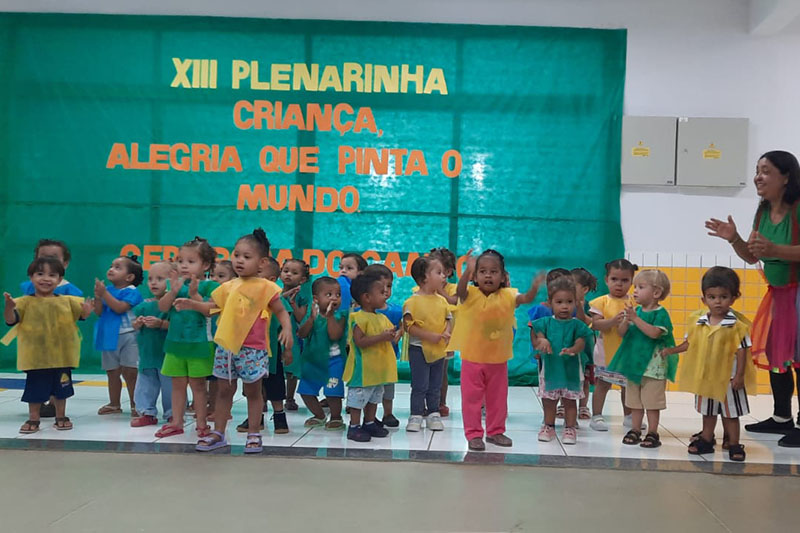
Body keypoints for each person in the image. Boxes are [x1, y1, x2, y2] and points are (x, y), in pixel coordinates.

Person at [705, 150, 800, 447]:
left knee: (798, 358)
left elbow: (775, 251)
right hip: (779, 295)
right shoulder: (762, 212)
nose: (758, 176)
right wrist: (734, 238)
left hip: (798, 293)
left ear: (786, 177)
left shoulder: (798, 209)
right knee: (777, 356)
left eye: (766, 171)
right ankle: (782, 417)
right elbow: (752, 256)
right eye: (757, 170)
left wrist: (776, 251)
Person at [177, 229, 293, 453]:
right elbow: (212, 308)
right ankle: (219, 432)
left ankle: (253, 433)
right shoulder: (227, 287)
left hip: (253, 349)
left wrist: (286, 329)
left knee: (253, 392)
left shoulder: (266, 287)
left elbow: (280, 311)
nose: (239, 260)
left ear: (262, 262)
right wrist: (192, 304)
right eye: (236, 255)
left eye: (246, 257)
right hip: (227, 348)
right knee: (223, 391)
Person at [447, 249, 545, 451]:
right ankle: (473, 434)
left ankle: (495, 432)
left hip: (498, 360)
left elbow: (525, 299)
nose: (488, 275)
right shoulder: (469, 294)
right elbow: (461, 290)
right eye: (482, 271)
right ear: (476, 276)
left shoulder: (509, 295)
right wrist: (467, 271)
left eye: (493, 271)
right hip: (472, 358)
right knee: (471, 400)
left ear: (503, 276)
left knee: (498, 399)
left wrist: (534, 288)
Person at [662, 267, 756, 461]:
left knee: (731, 414)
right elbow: (690, 343)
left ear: (733, 298)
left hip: (728, 380)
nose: (717, 301)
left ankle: (735, 443)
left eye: (723, 296)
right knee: (708, 411)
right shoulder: (698, 322)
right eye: (712, 297)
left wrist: (739, 376)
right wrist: (671, 350)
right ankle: (706, 438)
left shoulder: (737, 326)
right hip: (706, 377)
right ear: (704, 299)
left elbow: (742, 351)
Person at [2, 257, 92, 433]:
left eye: (52, 275)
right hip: (35, 358)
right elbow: (11, 320)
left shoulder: (68, 301)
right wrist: (8, 307)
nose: (46, 278)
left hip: (62, 356)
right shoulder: (24, 302)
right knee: (35, 389)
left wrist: (87, 311)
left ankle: (61, 416)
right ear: (31, 277)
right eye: (40, 274)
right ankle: (33, 418)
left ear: (59, 280)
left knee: (62, 388)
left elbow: (81, 315)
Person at [154, 237, 219, 439]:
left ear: (205, 265)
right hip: (175, 344)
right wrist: (172, 292)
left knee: (199, 386)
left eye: (191, 262)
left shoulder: (210, 286)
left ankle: (201, 423)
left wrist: (195, 298)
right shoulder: (175, 284)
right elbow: (162, 308)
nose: (184, 265)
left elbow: (212, 310)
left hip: (200, 344)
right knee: (177, 384)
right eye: (181, 261)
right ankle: (176, 422)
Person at [607, 269, 676, 449]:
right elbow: (622, 333)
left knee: (652, 402)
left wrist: (635, 319)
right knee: (634, 402)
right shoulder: (635, 311)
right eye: (635, 287)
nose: (634, 290)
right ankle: (635, 429)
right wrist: (624, 321)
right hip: (634, 365)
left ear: (656, 293)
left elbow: (654, 333)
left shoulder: (660, 313)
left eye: (640, 287)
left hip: (653, 367)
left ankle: (653, 431)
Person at [19, 239, 82, 418]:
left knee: (59, 373)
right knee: (37, 373)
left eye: (53, 258)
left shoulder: (70, 290)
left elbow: (77, 314)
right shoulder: (29, 287)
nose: (48, 263)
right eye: (43, 258)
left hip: (60, 342)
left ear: (65, 263)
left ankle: (55, 404)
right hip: (36, 341)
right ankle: (39, 407)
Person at [530, 276, 594, 444]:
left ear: (576, 303)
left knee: (569, 401)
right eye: (559, 302)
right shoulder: (544, 322)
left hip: (571, 372)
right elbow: (536, 333)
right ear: (550, 303)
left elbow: (582, 340)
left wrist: (573, 349)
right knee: (549, 401)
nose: (564, 306)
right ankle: (548, 426)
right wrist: (541, 341)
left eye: (569, 302)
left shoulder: (577, 324)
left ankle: (570, 428)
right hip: (550, 370)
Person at [344, 273, 402, 442]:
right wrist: (383, 337)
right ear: (367, 297)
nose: (385, 294)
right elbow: (360, 341)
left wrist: (392, 334)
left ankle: (369, 422)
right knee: (358, 398)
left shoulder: (381, 317)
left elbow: (388, 334)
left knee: (374, 397)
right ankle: (354, 427)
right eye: (380, 291)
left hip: (378, 370)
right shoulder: (359, 317)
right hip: (363, 370)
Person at [589, 259, 638, 432]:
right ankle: (596, 415)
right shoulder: (600, 302)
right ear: (606, 280)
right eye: (614, 279)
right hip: (606, 352)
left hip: (628, 354)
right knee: (603, 384)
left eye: (624, 280)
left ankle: (629, 416)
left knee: (628, 386)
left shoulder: (635, 302)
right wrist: (612, 321)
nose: (619, 284)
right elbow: (595, 324)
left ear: (632, 282)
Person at [403, 256, 451, 432]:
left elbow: (449, 319)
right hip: (418, 349)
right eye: (438, 272)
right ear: (424, 277)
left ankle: (433, 413)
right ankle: (416, 415)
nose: (443, 276)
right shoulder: (412, 302)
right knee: (419, 384)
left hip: (438, 350)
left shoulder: (442, 301)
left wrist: (446, 332)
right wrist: (428, 336)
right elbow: (408, 326)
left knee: (435, 384)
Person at [93, 255, 144, 417]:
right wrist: (98, 297)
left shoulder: (132, 292)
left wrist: (104, 294)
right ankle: (114, 404)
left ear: (129, 277)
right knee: (112, 371)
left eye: (117, 267)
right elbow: (100, 312)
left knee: (130, 371)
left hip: (129, 336)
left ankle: (136, 404)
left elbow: (120, 308)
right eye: (111, 265)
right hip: (109, 336)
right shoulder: (107, 290)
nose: (111, 269)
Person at [296, 276, 349, 430]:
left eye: (338, 294)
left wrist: (330, 316)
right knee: (306, 391)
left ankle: (336, 417)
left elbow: (335, 335)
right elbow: (302, 334)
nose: (334, 298)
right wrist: (312, 319)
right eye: (329, 294)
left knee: (332, 392)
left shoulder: (341, 315)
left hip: (334, 362)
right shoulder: (311, 314)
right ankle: (319, 415)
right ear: (316, 299)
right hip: (312, 362)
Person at [130, 261, 173, 427]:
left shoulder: (174, 305)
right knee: (146, 385)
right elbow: (134, 325)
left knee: (170, 387)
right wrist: (138, 324)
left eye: (160, 278)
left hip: (167, 355)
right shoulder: (143, 305)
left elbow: (177, 326)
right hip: (147, 354)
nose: (154, 282)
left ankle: (173, 413)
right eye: (150, 279)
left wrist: (161, 324)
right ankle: (147, 412)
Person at [363, 263, 403, 427]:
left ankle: (388, 413)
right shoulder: (362, 312)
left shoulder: (395, 310)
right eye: (381, 286)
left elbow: (402, 325)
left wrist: (400, 332)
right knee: (369, 387)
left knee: (388, 387)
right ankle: (368, 415)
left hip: (388, 358)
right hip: (369, 359)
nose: (386, 290)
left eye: (389, 286)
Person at [428, 247, 459, 417]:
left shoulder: (452, 288)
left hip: (445, 337)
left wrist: (439, 289)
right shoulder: (423, 287)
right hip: (426, 337)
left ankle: (440, 402)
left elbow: (453, 302)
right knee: (425, 371)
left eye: (438, 270)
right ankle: (425, 401)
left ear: (448, 271)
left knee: (441, 372)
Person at [279, 258, 310, 411]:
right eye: (285, 271)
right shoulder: (273, 291)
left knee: (291, 368)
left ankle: (289, 398)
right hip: (274, 335)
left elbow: (299, 317)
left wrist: (291, 302)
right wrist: (283, 296)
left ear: (302, 279)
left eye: (294, 273)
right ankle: (265, 398)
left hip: (292, 337)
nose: (288, 275)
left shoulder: (302, 296)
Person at [571, 267, 598, 420]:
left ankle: (583, 406)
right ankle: (564, 404)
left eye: (572, 285)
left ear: (585, 289)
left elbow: (589, 322)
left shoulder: (590, 305)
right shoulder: (564, 302)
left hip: (586, 348)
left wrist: (579, 306)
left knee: (585, 379)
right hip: (570, 347)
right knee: (567, 376)